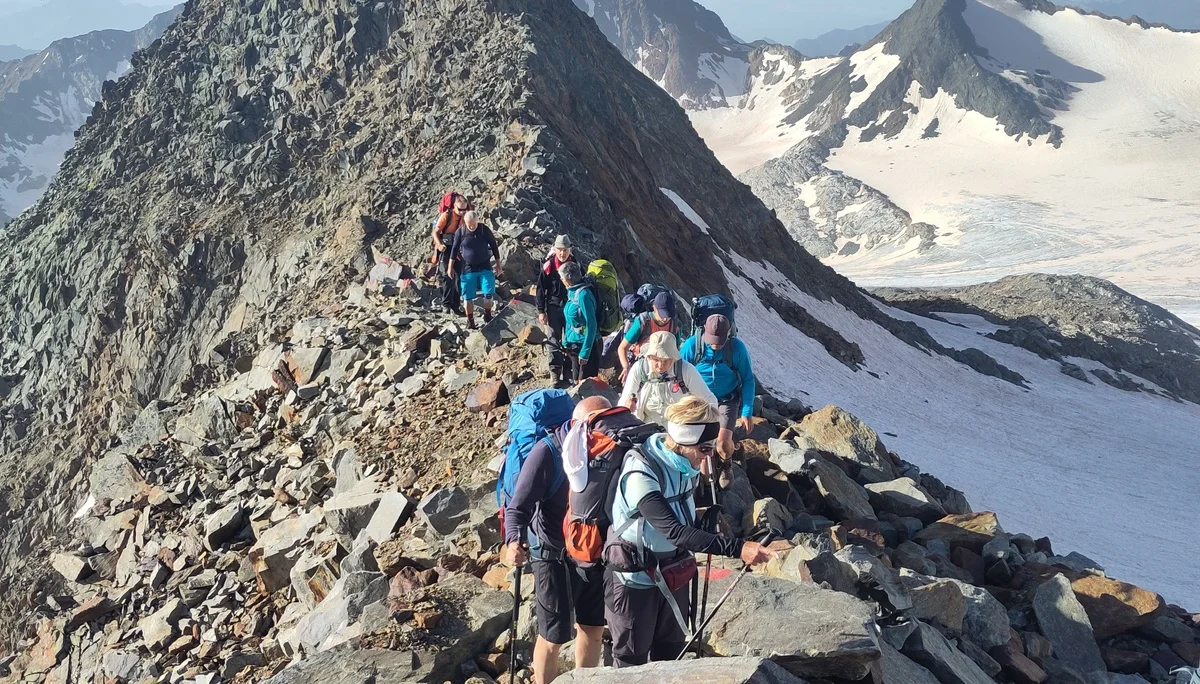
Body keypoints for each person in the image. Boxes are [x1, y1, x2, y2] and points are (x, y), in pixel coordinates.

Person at [606, 396, 774, 667]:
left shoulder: (685, 465)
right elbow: (673, 531)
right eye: (705, 448)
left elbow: (683, 520)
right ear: (684, 440)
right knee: (631, 661)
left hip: (673, 572)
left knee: (670, 653)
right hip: (635, 577)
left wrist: (704, 522)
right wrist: (738, 548)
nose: (710, 456)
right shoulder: (641, 472)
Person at [504, 396, 611, 684]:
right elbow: (518, 506)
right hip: (551, 552)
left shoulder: (609, 446)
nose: (603, 430)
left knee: (592, 626)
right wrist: (513, 540)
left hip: (591, 550)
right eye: (596, 425)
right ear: (577, 424)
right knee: (553, 635)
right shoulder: (547, 452)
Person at [679, 314, 755, 462]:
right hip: (698, 401)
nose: (715, 345)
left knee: (723, 443)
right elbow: (678, 373)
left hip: (726, 399)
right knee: (699, 445)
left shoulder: (737, 348)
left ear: (728, 334)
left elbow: (748, 379)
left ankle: (726, 463)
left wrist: (747, 412)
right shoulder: (693, 345)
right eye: (712, 340)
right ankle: (704, 479)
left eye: (720, 341)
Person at [619, 331, 716, 427]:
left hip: (679, 427)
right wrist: (627, 408)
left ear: (673, 358)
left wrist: (707, 425)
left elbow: (709, 399)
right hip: (646, 427)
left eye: (666, 360)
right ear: (649, 357)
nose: (661, 366)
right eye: (656, 359)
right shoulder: (639, 369)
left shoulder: (685, 370)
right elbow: (624, 401)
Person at [447, 211, 502, 329]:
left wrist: (498, 264)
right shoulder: (460, 232)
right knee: (468, 297)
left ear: (478, 221)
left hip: (485, 266)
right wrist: (450, 267)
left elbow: (493, 245)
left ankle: (488, 315)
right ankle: (470, 321)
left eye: (473, 224)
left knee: (488, 293)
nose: (471, 227)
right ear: (465, 222)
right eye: (469, 224)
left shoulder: (484, 230)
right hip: (467, 268)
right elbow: (454, 249)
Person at [537, 236, 578, 385]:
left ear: (570, 250)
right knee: (553, 341)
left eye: (565, 250)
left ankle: (568, 371)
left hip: (570, 308)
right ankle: (555, 374)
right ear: (555, 249)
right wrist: (541, 311)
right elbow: (541, 289)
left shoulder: (574, 264)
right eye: (560, 250)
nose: (563, 253)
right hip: (553, 307)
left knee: (570, 340)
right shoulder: (548, 266)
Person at [618, 292, 681, 383]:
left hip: (664, 369)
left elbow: (676, 352)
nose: (665, 319)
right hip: (641, 365)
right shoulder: (644, 321)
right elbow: (622, 348)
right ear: (654, 308)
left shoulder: (675, 325)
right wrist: (626, 367)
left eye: (668, 315)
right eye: (662, 314)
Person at [558, 261, 601, 384]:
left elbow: (592, 325)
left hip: (587, 347)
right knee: (576, 382)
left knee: (586, 384)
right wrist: (566, 341)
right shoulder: (572, 291)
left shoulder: (584, 295)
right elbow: (569, 320)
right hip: (574, 345)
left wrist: (585, 353)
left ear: (567, 280)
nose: (561, 279)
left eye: (561, 277)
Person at [433, 193, 470, 313]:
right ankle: (446, 305)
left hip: (459, 247)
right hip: (446, 246)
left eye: (465, 209)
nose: (462, 212)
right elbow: (435, 232)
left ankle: (456, 305)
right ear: (454, 206)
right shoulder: (447, 215)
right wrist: (439, 245)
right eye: (460, 209)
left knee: (460, 276)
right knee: (448, 276)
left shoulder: (466, 216)